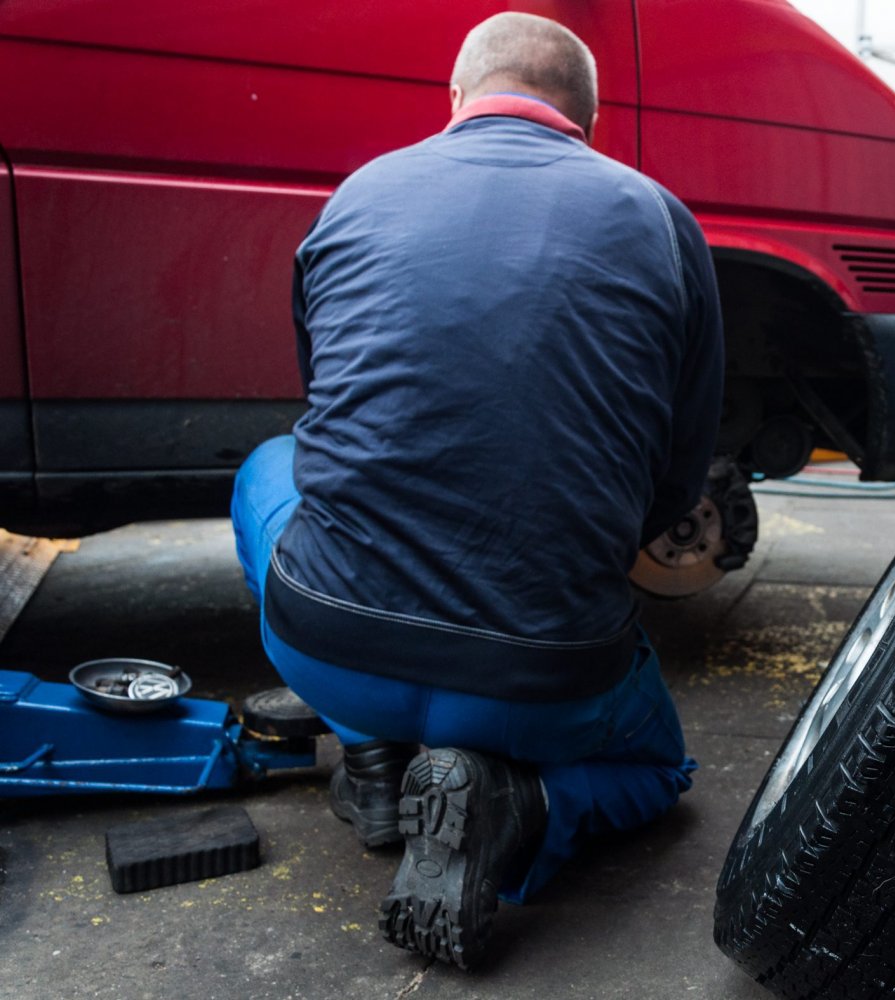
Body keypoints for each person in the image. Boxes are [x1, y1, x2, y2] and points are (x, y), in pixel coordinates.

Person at [229, 12, 723, 970]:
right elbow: (676, 478)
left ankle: (369, 751)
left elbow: (328, 424)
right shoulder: (659, 218)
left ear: (454, 100)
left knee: (268, 467)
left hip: (330, 643)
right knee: (659, 769)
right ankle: (522, 804)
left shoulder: (360, 193)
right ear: (589, 119)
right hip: (543, 680)